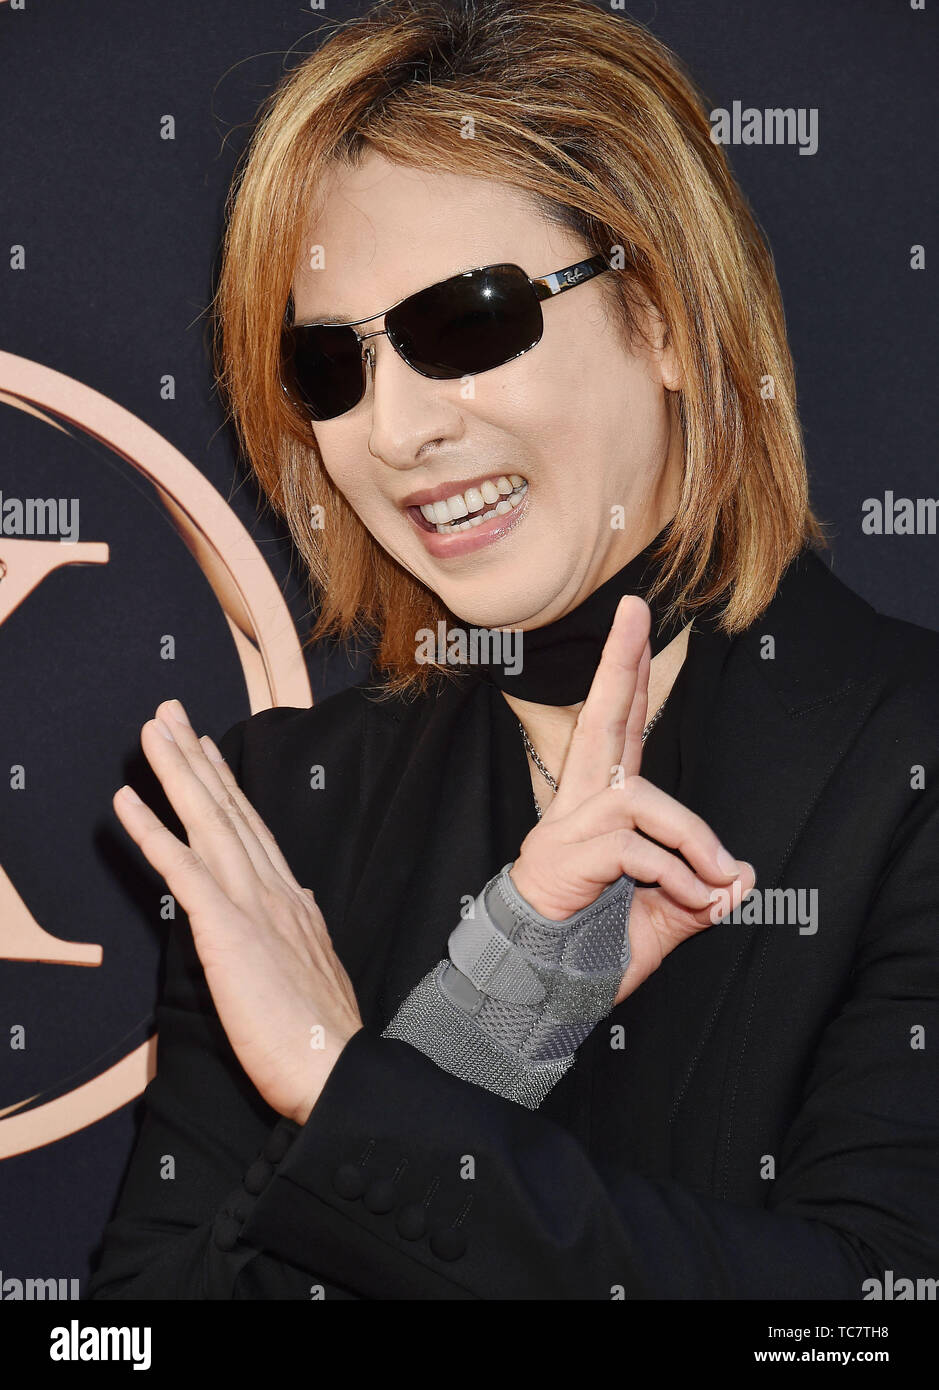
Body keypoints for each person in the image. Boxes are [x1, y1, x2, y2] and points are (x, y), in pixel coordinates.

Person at [87, 0, 939, 1299]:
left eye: (466, 321)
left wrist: (343, 1080)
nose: (397, 429)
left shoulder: (909, 762)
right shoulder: (277, 815)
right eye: (332, 367)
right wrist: (483, 1029)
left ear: (659, 312)